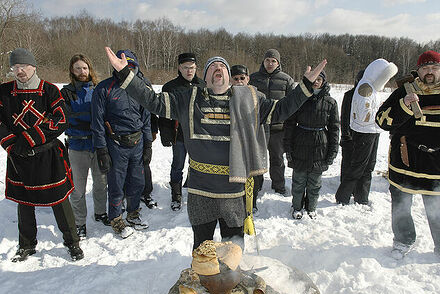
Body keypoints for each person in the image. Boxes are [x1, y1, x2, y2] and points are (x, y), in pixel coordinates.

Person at [105, 46, 327, 249]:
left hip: (234, 191)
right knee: (202, 252)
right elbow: (152, 101)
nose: (218, 68)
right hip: (201, 191)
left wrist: (305, 87)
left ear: (229, 78)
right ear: (206, 77)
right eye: (213, 67)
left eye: (222, 66)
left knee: (233, 252)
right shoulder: (188, 99)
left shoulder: (249, 99)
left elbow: (281, 109)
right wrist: (127, 75)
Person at [0, 48, 83, 261]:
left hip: (48, 155)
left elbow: (61, 119)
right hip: (19, 157)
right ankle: (27, 244)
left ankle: (72, 242)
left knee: (59, 200)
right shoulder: (4, 92)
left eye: (24, 67)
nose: (19, 71)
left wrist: (30, 138)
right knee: (24, 201)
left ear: (33, 67)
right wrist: (11, 144)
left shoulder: (49, 90)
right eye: (15, 67)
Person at [375, 50, 440, 261]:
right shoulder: (404, 92)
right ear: (418, 70)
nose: (430, 72)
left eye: (434, 68)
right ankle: (402, 240)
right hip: (404, 160)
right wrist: (404, 106)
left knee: (438, 209)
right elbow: (381, 120)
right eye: (425, 68)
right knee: (401, 205)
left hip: (435, 163)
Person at [91, 49, 153, 238]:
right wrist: (101, 150)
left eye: (131, 67)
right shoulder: (104, 88)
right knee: (116, 184)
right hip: (115, 144)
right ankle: (116, 218)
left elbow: (146, 117)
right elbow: (97, 122)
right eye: (125, 66)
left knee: (137, 181)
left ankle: (133, 213)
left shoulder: (142, 86)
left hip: (137, 142)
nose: (128, 70)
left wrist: (148, 144)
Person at [335, 58, 398, 205]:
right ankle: (343, 196)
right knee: (358, 166)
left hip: (373, 131)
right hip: (365, 132)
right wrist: (381, 112)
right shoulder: (365, 88)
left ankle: (361, 196)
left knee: (369, 166)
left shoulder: (372, 88)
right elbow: (364, 115)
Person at [61, 54, 109, 239]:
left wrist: (87, 120)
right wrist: (85, 120)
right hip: (76, 145)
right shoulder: (66, 92)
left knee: (100, 183)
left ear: (90, 69)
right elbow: (65, 118)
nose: (82, 72)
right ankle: (79, 222)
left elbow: (103, 117)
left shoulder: (98, 89)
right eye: (78, 68)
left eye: (85, 68)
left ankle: (100, 213)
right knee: (77, 189)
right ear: (72, 71)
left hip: (97, 145)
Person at [284, 70, 339, 219]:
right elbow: (289, 124)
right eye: (314, 78)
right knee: (299, 180)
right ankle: (296, 207)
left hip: (320, 146)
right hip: (299, 143)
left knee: (315, 182)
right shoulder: (299, 99)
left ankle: (311, 207)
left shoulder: (330, 102)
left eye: (319, 79)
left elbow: (334, 129)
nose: (316, 81)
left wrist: (333, 152)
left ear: (323, 82)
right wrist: (287, 148)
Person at [159, 52, 206, 211]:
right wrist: (165, 133)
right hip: (179, 134)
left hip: (197, 134)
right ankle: (176, 195)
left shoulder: (202, 85)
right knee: (178, 164)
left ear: (196, 67)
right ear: (179, 68)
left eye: (192, 68)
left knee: (198, 164)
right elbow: (163, 112)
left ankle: (196, 192)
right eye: (185, 68)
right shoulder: (170, 87)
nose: (189, 71)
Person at [249, 49, 297, 195]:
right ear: (263, 62)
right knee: (257, 159)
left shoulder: (286, 79)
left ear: (278, 62)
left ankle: (279, 185)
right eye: (267, 60)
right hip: (259, 127)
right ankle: (256, 186)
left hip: (278, 128)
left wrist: (289, 125)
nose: (270, 63)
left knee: (277, 158)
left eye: (273, 61)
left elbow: (291, 104)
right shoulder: (253, 78)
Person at [230, 64, 265, 216]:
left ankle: (253, 202)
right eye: (235, 78)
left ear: (248, 79)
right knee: (238, 176)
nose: (239, 81)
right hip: (234, 141)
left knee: (255, 176)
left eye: (242, 78)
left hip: (253, 141)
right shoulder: (227, 95)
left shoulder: (259, 96)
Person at [339, 70, 364, 186]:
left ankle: (357, 184)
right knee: (347, 161)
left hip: (364, 135)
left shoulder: (371, 96)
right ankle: (345, 183)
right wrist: (345, 134)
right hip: (349, 134)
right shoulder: (349, 95)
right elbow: (344, 116)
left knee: (360, 162)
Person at [140, 113, 159, 209]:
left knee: (145, 164)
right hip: (124, 133)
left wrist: (154, 131)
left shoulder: (141, 98)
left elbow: (151, 112)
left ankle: (146, 193)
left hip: (144, 134)